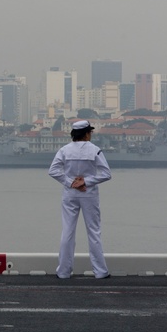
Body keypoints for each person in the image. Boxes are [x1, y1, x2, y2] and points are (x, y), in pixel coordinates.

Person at [48, 119, 111, 279]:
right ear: (87, 133)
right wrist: (86, 182)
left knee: (67, 231)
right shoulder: (95, 150)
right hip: (89, 194)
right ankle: (100, 271)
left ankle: (63, 271)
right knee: (94, 232)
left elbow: (53, 171)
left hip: (70, 194)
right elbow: (106, 174)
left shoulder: (64, 150)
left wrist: (71, 183)